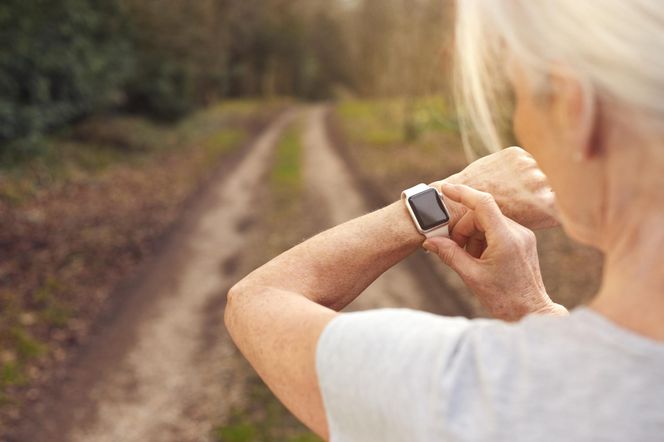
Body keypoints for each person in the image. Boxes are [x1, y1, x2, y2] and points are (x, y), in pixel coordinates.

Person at [225, 1, 664, 440]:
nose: (518, 124)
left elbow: (256, 299)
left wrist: (441, 200)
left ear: (573, 110)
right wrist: (533, 311)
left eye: (518, 94)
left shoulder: (460, 392)